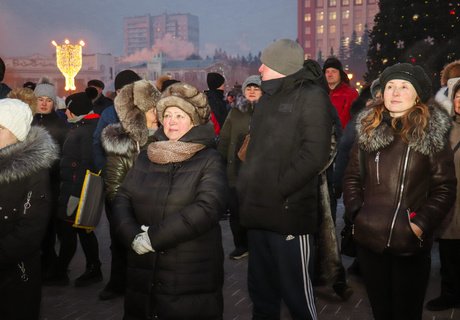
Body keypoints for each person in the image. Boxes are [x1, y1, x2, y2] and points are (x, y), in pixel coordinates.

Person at [343, 63, 456, 320]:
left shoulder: (431, 132)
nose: (395, 92)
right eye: (390, 86)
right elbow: (351, 177)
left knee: (406, 313)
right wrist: (357, 213)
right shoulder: (368, 128)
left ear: (417, 94)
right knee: (381, 311)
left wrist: (419, 225)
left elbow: (444, 188)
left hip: (409, 243)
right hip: (369, 240)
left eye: (404, 86)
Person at [112, 82, 227, 320]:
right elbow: (123, 197)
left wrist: (154, 237)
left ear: (193, 121)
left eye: (180, 115)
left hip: (189, 269)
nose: (172, 121)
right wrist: (132, 235)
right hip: (143, 267)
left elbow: (208, 207)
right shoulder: (147, 155)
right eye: (167, 115)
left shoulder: (209, 158)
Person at [237, 39, 334, 320]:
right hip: (258, 214)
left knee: (297, 296)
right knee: (262, 293)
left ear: (281, 66)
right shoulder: (267, 98)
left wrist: (278, 190)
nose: (260, 68)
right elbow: (257, 151)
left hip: (288, 213)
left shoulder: (311, 96)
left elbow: (314, 155)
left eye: (265, 63)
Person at [98, 79, 161, 300]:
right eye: (152, 109)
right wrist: (126, 213)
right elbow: (114, 184)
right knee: (122, 249)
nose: (157, 112)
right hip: (129, 210)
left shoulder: (166, 137)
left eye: (157, 107)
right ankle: (118, 284)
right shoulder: (125, 142)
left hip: (157, 212)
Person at [0, 98, 58, 319]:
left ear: (16, 132)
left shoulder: (34, 172)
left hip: (16, 272)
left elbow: (31, 230)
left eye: (0, 128)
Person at [50, 91, 103, 287]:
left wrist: (75, 194)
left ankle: (64, 271)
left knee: (72, 230)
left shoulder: (85, 130)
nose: (66, 114)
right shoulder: (84, 126)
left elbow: (85, 164)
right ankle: (91, 267)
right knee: (81, 230)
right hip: (74, 187)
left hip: (76, 189)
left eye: (68, 110)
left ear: (75, 110)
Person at [218, 74, 262, 260]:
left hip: (259, 170)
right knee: (236, 210)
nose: (251, 92)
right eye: (248, 88)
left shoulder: (268, 111)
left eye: (256, 88)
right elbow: (225, 138)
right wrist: (219, 159)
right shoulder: (235, 111)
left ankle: (257, 245)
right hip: (235, 169)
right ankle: (241, 245)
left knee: (257, 210)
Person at [426, 78, 460, 311]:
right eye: (456, 95)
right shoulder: (445, 127)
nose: (459, 100)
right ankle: (450, 293)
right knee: (449, 251)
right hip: (452, 200)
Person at [32, 78, 69, 279]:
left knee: (50, 226)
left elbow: (65, 156)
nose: (44, 103)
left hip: (53, 183)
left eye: (48, 99)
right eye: (40, 99)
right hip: (32, 183)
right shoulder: (29, 122)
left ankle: (51, 265)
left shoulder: (61, 125)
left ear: (54, 102)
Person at [93, 69, 141, 171]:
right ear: (117, 92)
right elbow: (97, 143)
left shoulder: (146, 111)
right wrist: (105, 168)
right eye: (121, 91)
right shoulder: (108, 114)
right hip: (115, 171)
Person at [323, 57, 358, 128]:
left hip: (344, 136)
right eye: (327, 71)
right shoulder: (319, 93)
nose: (330, 75)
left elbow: (357, 118)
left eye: (333, 71)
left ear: (340, 74)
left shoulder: (351, 94)